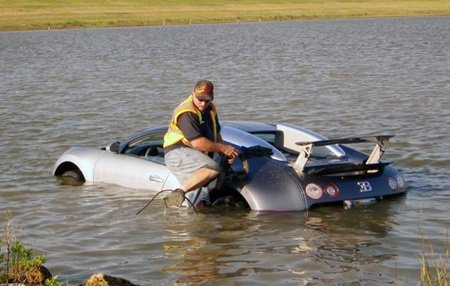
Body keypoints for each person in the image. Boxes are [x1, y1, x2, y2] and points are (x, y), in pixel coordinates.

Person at [163, 80, 239, 208]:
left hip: (196, 156)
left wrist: (224, 153)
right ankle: (179, 192)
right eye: (200, 99)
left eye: (207, 100)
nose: (203, 104)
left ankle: (196, 220)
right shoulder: (186, 112)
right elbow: (198, 143)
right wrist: (223, 148)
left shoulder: (210, 109)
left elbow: (217, 135)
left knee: (200, 203)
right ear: (193, 93)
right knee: (212, 168)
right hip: (177, 152)